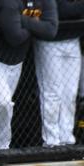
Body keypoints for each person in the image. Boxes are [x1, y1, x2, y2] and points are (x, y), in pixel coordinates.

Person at [0, 0, 56, 153]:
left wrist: (23, 21)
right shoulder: (9, 2)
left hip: (16, 62)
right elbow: (15, 37)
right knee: (2, 102)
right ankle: (2, 148)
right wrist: (35, 26)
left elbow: (51, 30)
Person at [34, 0, 84, 146]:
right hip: (49, 43)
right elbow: (62, 11)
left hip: (73, 40)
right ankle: (51, 141)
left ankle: (66, 139)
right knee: (52, 93)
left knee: (70, 94)